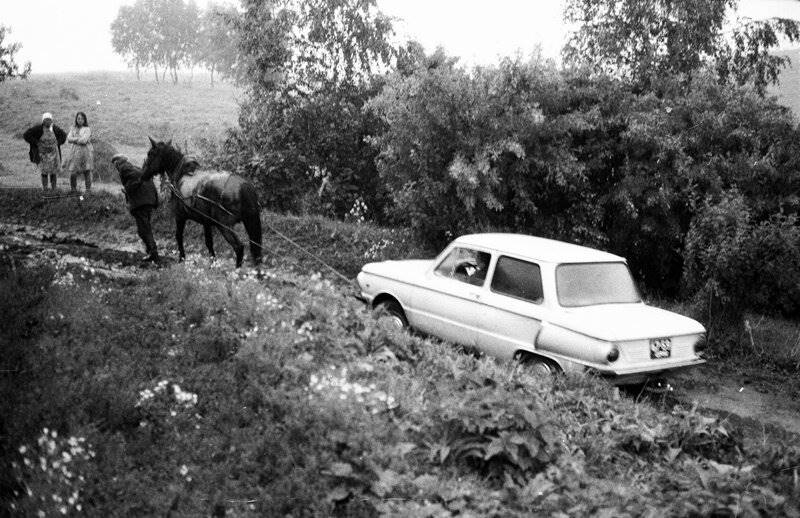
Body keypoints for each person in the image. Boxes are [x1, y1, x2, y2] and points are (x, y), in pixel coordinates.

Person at [111, 154, 160, 264]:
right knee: (144, 229)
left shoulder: (125, 169)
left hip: (141, 202)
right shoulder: (135, 167)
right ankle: (151, 252)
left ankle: (154, 255)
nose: (115, 166)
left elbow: (137, 181)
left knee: (144, 230)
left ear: (118, 163)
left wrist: (127, 189)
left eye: (115, 164)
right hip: (149, 200)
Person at [23, 112, 67, 190]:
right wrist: (36, 142)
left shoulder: (55, 129)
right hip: (42, 154)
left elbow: (63, 135)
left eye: (49, 120)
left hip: (54, 154)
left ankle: (54, 189)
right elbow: (26, 135)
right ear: (43, 121)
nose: (48, 122)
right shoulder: (38, 129)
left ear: (51, 121)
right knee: (44, 172)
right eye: (46, 120)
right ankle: (45, 189)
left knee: (53, 172)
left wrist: (58, 143)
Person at [64, 112, 94, 193]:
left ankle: (88, 190)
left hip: (85, 153)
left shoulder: (87, 129)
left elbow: (84, 141)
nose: (80, 120)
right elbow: (69, 138)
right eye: (78, 118)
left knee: (87, 171)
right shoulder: (73, 128)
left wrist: (74, 139)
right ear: (76, 119)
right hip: (75, 153)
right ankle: (73, 189)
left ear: (84, 120)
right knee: (73, 171)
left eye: (82, 118)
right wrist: (78, 139)